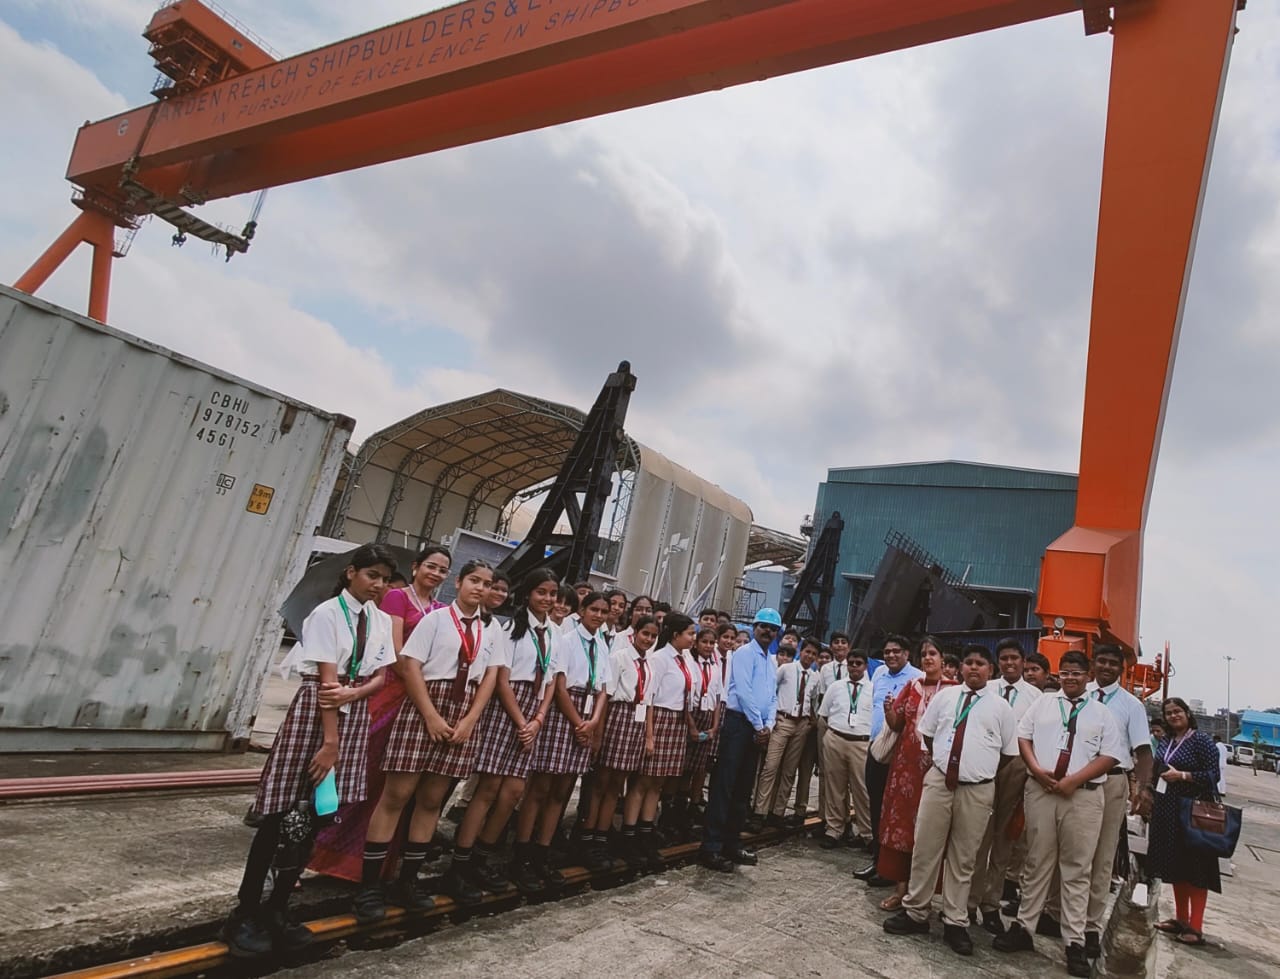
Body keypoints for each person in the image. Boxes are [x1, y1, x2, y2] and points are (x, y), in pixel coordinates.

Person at [225, 544, 398, 957]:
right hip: (318, 716)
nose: (378, 585)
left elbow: (381, 674)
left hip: (351, 709)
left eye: (385, 579)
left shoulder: (378, 620)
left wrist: (356, 691)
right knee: (283, 813)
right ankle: (247, 911)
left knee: (319, 814)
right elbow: (325, 685)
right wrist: (330, 744)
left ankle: (279, 908)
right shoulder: (326, 614)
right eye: (372, 575)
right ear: (351, 573)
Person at [353, 560, 501, 922]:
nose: (479, 588)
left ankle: (408, 880)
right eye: (473, 581)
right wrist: (430, 715)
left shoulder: (491, 629)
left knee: (432, 800)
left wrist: (469, 720)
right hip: (425, 706)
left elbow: (490, 678)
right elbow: (411, 664)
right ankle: (369, 887)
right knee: (396, 796)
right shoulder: (436, 619)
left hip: (463, 711)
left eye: (487, 583)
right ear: (459, 582)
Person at [308, 545, 450, 882]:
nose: (436, 574)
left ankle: (374, 860)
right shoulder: (397, 598)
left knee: (395, 784)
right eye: (431, 566)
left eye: (443, 570)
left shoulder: (442, 610)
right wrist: (418, 685)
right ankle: (323, 850)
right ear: (416, 567)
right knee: (365, 768)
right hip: (393, 692)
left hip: (423, 697)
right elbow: (395, 653)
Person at [994, 650, 1125, 978]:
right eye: (1065, 673)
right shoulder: (1043, 703)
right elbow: (1024, 737)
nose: (1070, 678)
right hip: (1042, 791)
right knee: (1037, 861)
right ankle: (1024, 927)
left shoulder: (1101, 713)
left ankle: (1074, 942)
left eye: (1077, 673)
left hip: (1082, 797)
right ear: (1059, 675)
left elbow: (1110, 755)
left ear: (1088, 675)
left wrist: (1074, 780)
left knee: (1077, 868)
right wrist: (1037, 770)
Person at [884, 645, 1017, 957]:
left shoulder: (1000, 708)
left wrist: (977, 772)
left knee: (964, 857)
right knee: (925, 848)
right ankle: (916, 911)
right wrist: (948, 763)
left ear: (991, 670)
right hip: (940, 781)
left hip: (977, 789)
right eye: (969, 662)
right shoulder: (946, 697)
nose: (973, 668)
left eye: (980, 664)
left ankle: (955, 921)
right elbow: (928, 734)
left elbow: (1008, 754)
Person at [451, 568, 561, 898]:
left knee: (513, 792)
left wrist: (538, 719)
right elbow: (501, 678)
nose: (548, 598)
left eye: (552, 593)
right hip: (507, 708)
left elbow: (553, 679)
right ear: (527, 593)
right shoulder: (509, 628)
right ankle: (461, 863)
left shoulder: (554, 633)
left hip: (535, 710)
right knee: (489, 788)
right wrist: (521, 721)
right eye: (541, 592)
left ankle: (484, 856)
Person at [512, 590, 610, 891]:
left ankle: (542, 852)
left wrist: (592, 722)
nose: (599, 616)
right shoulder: (567, 640)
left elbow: (604, 687)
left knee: (563, 788)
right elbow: (561, 686)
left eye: (604, 612)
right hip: (562, 714)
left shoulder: (602, 645)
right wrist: (578, 722)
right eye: (593, 609)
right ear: (581, 610)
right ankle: (522, 853)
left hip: (588, 711)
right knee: (541, 787)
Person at [876, 636, 956, 909]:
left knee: (931, 830)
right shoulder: (912, 686)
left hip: (936, 769)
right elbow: (898, 724)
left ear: (943, 658)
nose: (928, 658)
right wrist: (889, 711)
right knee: (902, 827)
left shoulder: (955, 690)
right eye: (924, 654)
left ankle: (926, 892)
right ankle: (901, 889)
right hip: (905, 768)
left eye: (933, 653)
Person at [1083, 645, 1153, 957]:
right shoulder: (1078, 693)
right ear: (1093, 663)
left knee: (1102, 854)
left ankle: (1090, 926)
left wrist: (1143, 789)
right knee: (1069, 849)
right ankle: (1056, 912)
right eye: (1103, 661)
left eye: (1114, 663)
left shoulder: (1131, 705)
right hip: (1075, 779)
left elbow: (1143, 752)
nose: (1107, 667)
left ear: (1122, 669)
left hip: (1111, 781)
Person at [699, 608, 781, 871]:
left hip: (757, 728)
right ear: (755, 628)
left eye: (772, 629)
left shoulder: (772, 660)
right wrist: (760, 725)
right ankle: (711, 847)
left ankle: (732, 844)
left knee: (744, 788)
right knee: (724, 786)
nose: (767, 632)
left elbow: (771, 696)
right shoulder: (744, 654)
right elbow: (744, 692)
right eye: (763, 627)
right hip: (738, 724)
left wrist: (768, 725)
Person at [971, 638, 1043, 935]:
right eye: (1004, 659)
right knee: (975, 838)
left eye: (1015, 658)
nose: (1010, 663)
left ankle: (990, 904)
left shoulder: (1036, 697)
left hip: (1015, 768)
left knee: (1003, 841)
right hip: (985, 763)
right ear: (996, 663)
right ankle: (967, 902)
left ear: (1023, 661)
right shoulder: (986, 690)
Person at [624, 613, 700, 869]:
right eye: (689, 633)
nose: (693, 638)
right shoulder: (659, 659)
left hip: (677, 721)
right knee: (643, 781)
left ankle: (647, 831)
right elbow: (649, 699)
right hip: (659, 720)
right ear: (676, 635)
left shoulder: (687, 659)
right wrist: (649, 735)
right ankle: (630, 834)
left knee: (658, 783)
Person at [1148, 697, 1222, 948]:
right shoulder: (1166, 740)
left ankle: (1196, 927)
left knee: (1196, 869)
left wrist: (1182, 775)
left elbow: (1213, 775)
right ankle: (1180, 919)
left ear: (1188, 713)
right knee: (1176, 865)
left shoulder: (1200, 741)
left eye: (1177, 711)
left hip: (1193, 811)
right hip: (1168, 810)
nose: (1173, 716)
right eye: (1168, 713)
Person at [588, 615, 659, 869]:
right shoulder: (619, 658)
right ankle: (589, 837)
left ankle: (602, 836)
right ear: (635, 633)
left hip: (636, 722)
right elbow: (606, 696)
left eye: (652, 636)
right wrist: (599, 733)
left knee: (617, 783)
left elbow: (648, 702)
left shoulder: (649, 663)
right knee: (601, 782)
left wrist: (649, 736)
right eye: (644, 634)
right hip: (618, 716)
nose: (648, 639)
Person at [856, 635, 923, 886]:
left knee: (894, 811)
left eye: (897, 651)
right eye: (887, 652)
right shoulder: (879, 674)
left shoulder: (916, 678)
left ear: (907, 654)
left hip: (901, 755)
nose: (891, 656)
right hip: (876, 748)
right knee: (875, 806)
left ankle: (892, 870)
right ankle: (877, 861)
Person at [755, 637, 819, 827]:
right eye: (807, 652)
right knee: (771, 766)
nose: (810, 656)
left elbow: (813, 700)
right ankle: (760, 811)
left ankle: (778, 812)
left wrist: (809, 721)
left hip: (801, 724)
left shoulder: (815, 677)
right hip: (783, 720)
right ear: (801, 651)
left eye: (814, 654)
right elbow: (771, 692)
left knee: (789, 771)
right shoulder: (786, 669)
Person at [816, 649, 873, 849]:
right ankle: (834, 830)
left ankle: (867, 834)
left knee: (862, 790)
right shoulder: (836, 687)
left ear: (865, 666)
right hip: (836, 738)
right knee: (835, 787)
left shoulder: (873, 689)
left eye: (858, 663)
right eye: (851, 663)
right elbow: (823, 714)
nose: (854, 667)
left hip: (861, 743)